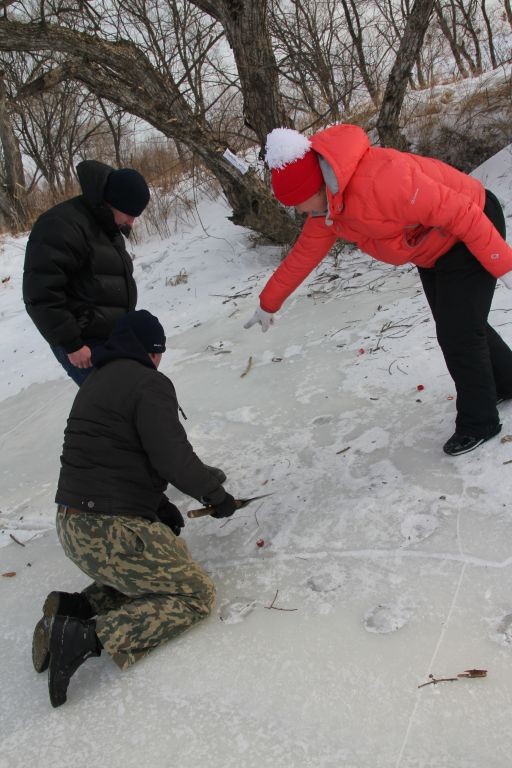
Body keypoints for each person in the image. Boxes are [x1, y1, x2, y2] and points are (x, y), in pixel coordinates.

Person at [244, 125, 512, 456]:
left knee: (459, 332)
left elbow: (460, 212)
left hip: (472, 228)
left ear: (316, 186)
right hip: (433, 249)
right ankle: (506, 381)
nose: (299, 211)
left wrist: (502, 262)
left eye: (298, 202)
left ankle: (479, 422)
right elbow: (302, 256)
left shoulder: (383, 181)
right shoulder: (329, 209)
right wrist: (268, 303)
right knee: (460, 324)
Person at [31, 309, 237, 707]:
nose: (160, 360)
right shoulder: (148, 383)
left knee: (154, 570)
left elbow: (114, 456)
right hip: (108, 529)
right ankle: (85, 637)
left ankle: (76, 607)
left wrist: (157, 504)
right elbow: (172, 456)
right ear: (149, 350)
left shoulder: (96, 381)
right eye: (159, 352)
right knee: (195, 594)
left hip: (72, 525)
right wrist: (216, 496)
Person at [23, 161, 151, 385]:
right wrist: (72, 344)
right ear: (112, 202)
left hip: (112, 335)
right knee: (110, 400)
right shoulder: (60, 225)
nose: (131, 222)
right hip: (84, 344)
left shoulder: (106, 224)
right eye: (129, 214)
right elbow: (40, 294)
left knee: (134, 393)